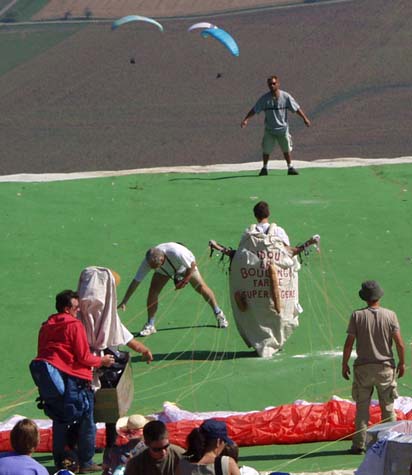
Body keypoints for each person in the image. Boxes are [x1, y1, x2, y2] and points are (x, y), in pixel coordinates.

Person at [30, 290, 115, 473]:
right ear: (68, 309)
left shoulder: (46, 326)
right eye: (76, 308)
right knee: (87, 421)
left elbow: (42, 352)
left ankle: (61, 461)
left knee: (59, 420)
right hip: (74, 381)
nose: (78, 311)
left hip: (53, 382)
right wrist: (102, 361)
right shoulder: (74, 325)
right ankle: (86, 462)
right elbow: (83, 357)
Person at [77, 267, 153, 471]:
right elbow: (123, 334)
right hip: (93, 369)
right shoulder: (92, 314)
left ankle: (87, 452)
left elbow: (122, 333)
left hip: (91, 370)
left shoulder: (81, 313)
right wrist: (141, 349)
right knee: (102, 414)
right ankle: (94, 454)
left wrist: (142, 348)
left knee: (94, 414)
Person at [342, 280, 406, 454]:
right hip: (385, 367)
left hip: (363, 368)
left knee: (362, 408)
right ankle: (390, 442)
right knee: (388, 408)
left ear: (365, 298)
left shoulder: (357, 316)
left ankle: (359, 444)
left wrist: (344, 364)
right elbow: (399, 343)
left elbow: (349, 344)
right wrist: (402, 362)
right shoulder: (390, 315)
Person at [118, 242, 228, 336]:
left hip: (186, 266)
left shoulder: (178, 253)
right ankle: (150, 325)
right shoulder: (149, 261)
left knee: (201, 287)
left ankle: (219, 314)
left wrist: (184, 281)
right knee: (153, 292)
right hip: (165, 270)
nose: (152, 269)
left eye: (155, 267)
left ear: (162, 259)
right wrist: (125, 300)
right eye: (152, 267)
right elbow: (136, 280)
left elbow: (192, 265)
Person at [241, 75, 311, 176]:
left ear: (278, 84)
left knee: (286, 148)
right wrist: (246, 119)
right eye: (270, 84)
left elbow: (296, 108)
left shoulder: (286, 96)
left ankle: (290, 167)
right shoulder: (264, 99)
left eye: (274, 83)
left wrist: (305, 118)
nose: (272, 86)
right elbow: (255, 109)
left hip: (283, 129)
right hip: (270, 130)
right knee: (266, 149)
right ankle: (264, 168)